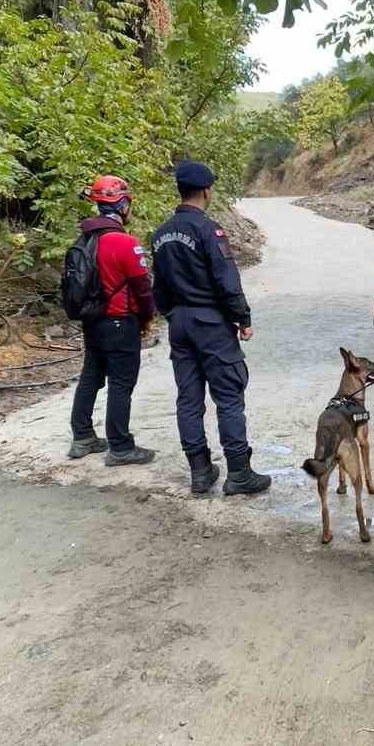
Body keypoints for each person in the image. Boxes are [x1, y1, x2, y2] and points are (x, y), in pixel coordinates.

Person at [150, 161, 271, 497]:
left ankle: (200, 472)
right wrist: (242, 319)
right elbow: (226, 280)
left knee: (189, 399)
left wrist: (172, 316)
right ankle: (239, 473)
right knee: (229, 397)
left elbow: (158, 288)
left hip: (180, 324)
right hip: (210, 323)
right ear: (206, 190)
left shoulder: (160, 234)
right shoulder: (209, 230)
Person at [68, 175, 156, 466]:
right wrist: (147, 318)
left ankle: (82, 437)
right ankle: (120, 446)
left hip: (92, 321)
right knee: (121, 383)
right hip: (120, 322)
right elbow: (143, 288)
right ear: (122, 204)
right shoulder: (124, 242)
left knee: (91, 376)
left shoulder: (85, 239)